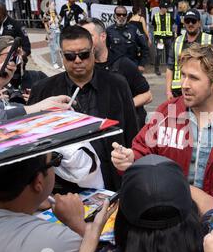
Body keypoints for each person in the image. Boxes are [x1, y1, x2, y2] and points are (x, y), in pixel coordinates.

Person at [111, 43, 213, 200]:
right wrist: (130, 158)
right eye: (183, 75)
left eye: (194, 78)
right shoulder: (166, 112)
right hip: (169, 214)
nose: (184, 85)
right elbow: (143, 151)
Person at [71, 154, 213, 252]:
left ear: (123, 218)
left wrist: (91, 234)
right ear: (190, 210)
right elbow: (209, 204)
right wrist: (172, 184)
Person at [28, 25, 139, 191]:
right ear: (61, 56)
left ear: (93, 52)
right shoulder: (43, 90)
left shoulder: (117, 84)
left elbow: (132, 132)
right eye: (70, 56)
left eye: (84, 54)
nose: (78, 60)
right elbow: (30, 146)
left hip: (111, 183)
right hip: (61, 188)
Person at [0, 152, 99, 252]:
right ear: (38, 182)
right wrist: (79, 227)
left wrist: (32, 203)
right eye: (54, 161)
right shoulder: (60, 240)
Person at [79, 18, 152, 128]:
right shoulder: (82, 66)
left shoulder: (123, 63)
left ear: (102, 37)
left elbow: (147, 96)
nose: (84, 41)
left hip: (125, 130)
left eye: (89, 36)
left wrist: (121, 106)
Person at [165, 8, 213, 100]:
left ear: (199, 23)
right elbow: (169, 68)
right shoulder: (177, 41)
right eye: (187, 21)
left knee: (199, 115)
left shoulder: (209, 40)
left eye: (193, 21)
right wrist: (168, 92)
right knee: (173, 114)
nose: (190, 24)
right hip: (177, 92)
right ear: (184, 23)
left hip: (201, 91)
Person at [0, 36, 47, 105]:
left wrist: (40, 100)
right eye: (11, 54)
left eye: (18, 52)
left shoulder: (38, 77)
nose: (17, 57)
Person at [106, 6, 149, 73]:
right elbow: (105, 49)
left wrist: (141, 64)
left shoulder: (134, 29)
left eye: (124, 15)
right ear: (114, 15)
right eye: (118, 14)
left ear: (126, 16)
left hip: (132, 66)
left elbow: (144, 47)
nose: (121, 17)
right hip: (115, 68)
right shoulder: (109, 31)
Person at [152, 1, 175, 76]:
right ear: (161, 8)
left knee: (169, 54)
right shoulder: (155, 16)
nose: (166, 9)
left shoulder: (169, 16)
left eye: (166, 8)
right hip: (159, 39)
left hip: (168, 38)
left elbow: (172, 25)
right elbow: (154, 26)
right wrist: (155, 38)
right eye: (165, 8)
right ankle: (157, 69)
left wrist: (174, 33)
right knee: (159, 54)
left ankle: (169, 69)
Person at [43, 0, 62, 69]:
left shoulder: (56, 13)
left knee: (61, 48)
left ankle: (63, 63)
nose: (54, 6)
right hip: (51, 31)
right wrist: (48, 32)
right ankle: (55, 63)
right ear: (49, 6)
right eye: (53, 5)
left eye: (55, 5)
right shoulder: (46, 14)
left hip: (57, 30)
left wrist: (59, 19)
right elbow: (45, 24)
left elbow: (59, 21)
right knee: (53, 48)